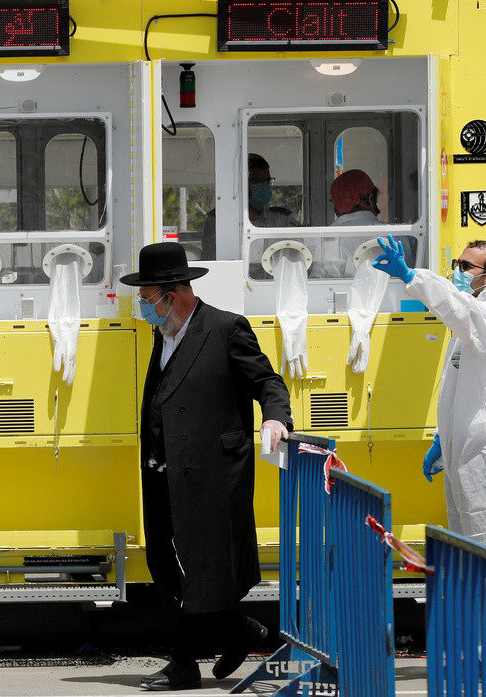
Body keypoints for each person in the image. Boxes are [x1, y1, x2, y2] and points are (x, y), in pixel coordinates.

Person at [120, 242, 293, 691]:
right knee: (167, 562)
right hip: (166, 472)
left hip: (212, 474)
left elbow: (268, 381)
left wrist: (275, 417)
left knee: (201, 566)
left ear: (172, 295)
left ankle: (183, 666)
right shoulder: (166, 333)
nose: (142, 307)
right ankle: (243, 633)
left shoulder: (224, 328)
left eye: (146, 298)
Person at [373, 236, 486, 556]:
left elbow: (457, 307)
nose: (456, 272)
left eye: (465, 266)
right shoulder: (476, 321)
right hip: (470, 449)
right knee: (470, 549)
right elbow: (461, 392)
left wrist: (413, 277)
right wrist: (445, 438)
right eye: (456, 264)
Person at [198, 153, 296, 258]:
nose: (264, 186)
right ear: (241, 184)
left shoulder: (281, 219)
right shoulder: (218, 221)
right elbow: (213, 260)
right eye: (257, 181)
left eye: (267, 181)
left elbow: (298, 254)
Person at [313, 169, 384, 278]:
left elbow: (320, 282)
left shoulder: (328, 239)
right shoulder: (401, 235)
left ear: (337, 205)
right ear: (371, 198)